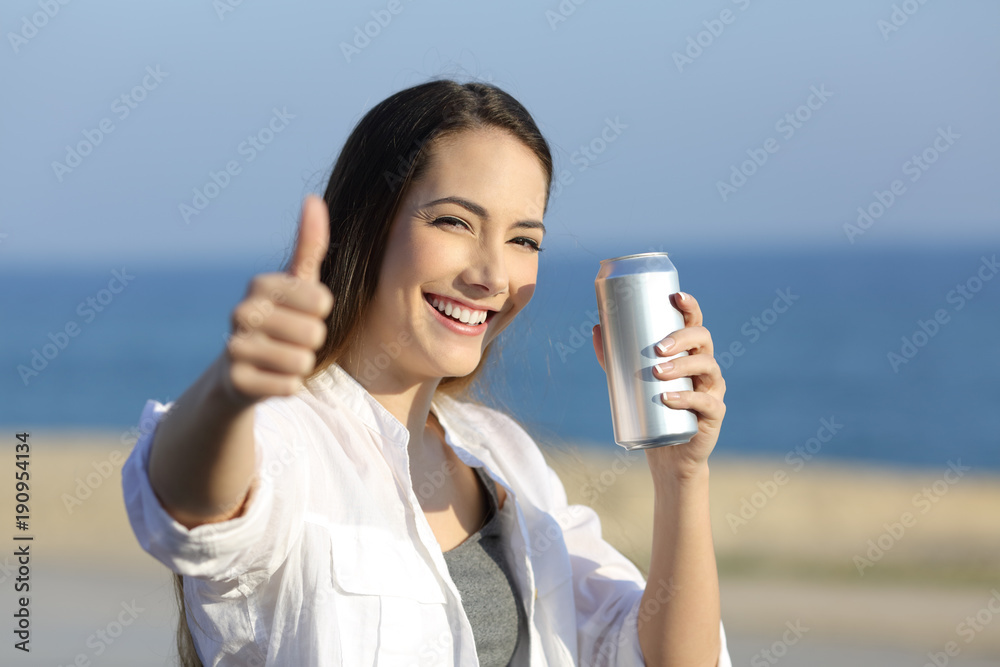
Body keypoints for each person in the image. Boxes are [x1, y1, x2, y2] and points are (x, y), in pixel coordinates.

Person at [121, 78, 732, 666]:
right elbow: (186, 505)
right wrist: (230, 393)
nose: (493, 276)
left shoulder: (506, 460)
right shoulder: (288, 436)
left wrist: (682, 476)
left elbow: (660, 658)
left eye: (524, 240)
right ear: (369, 222)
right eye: (454, 222)